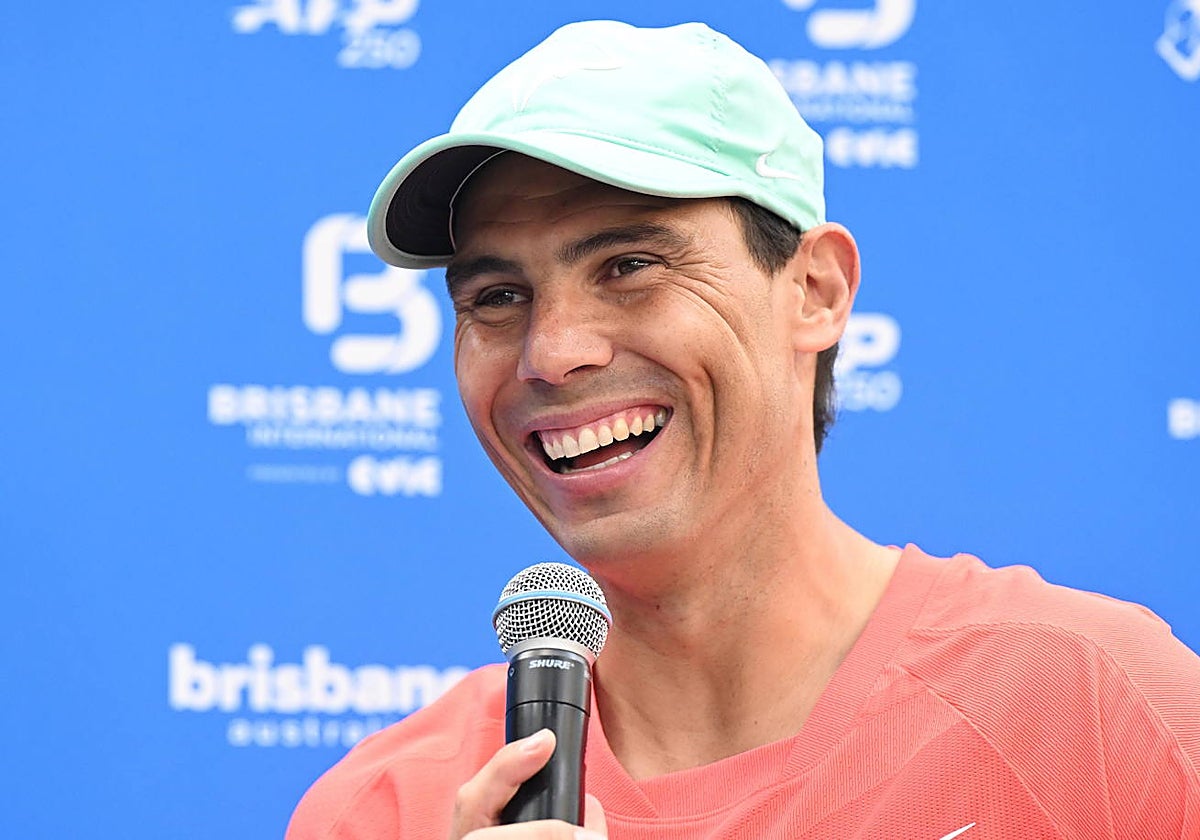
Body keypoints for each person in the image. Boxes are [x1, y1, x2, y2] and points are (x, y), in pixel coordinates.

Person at [287, 20, 1200, 839]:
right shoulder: (381, 812)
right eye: (497, 297)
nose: (551, 352)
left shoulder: (1096, 707)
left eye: (630, 264)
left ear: (816, 291)